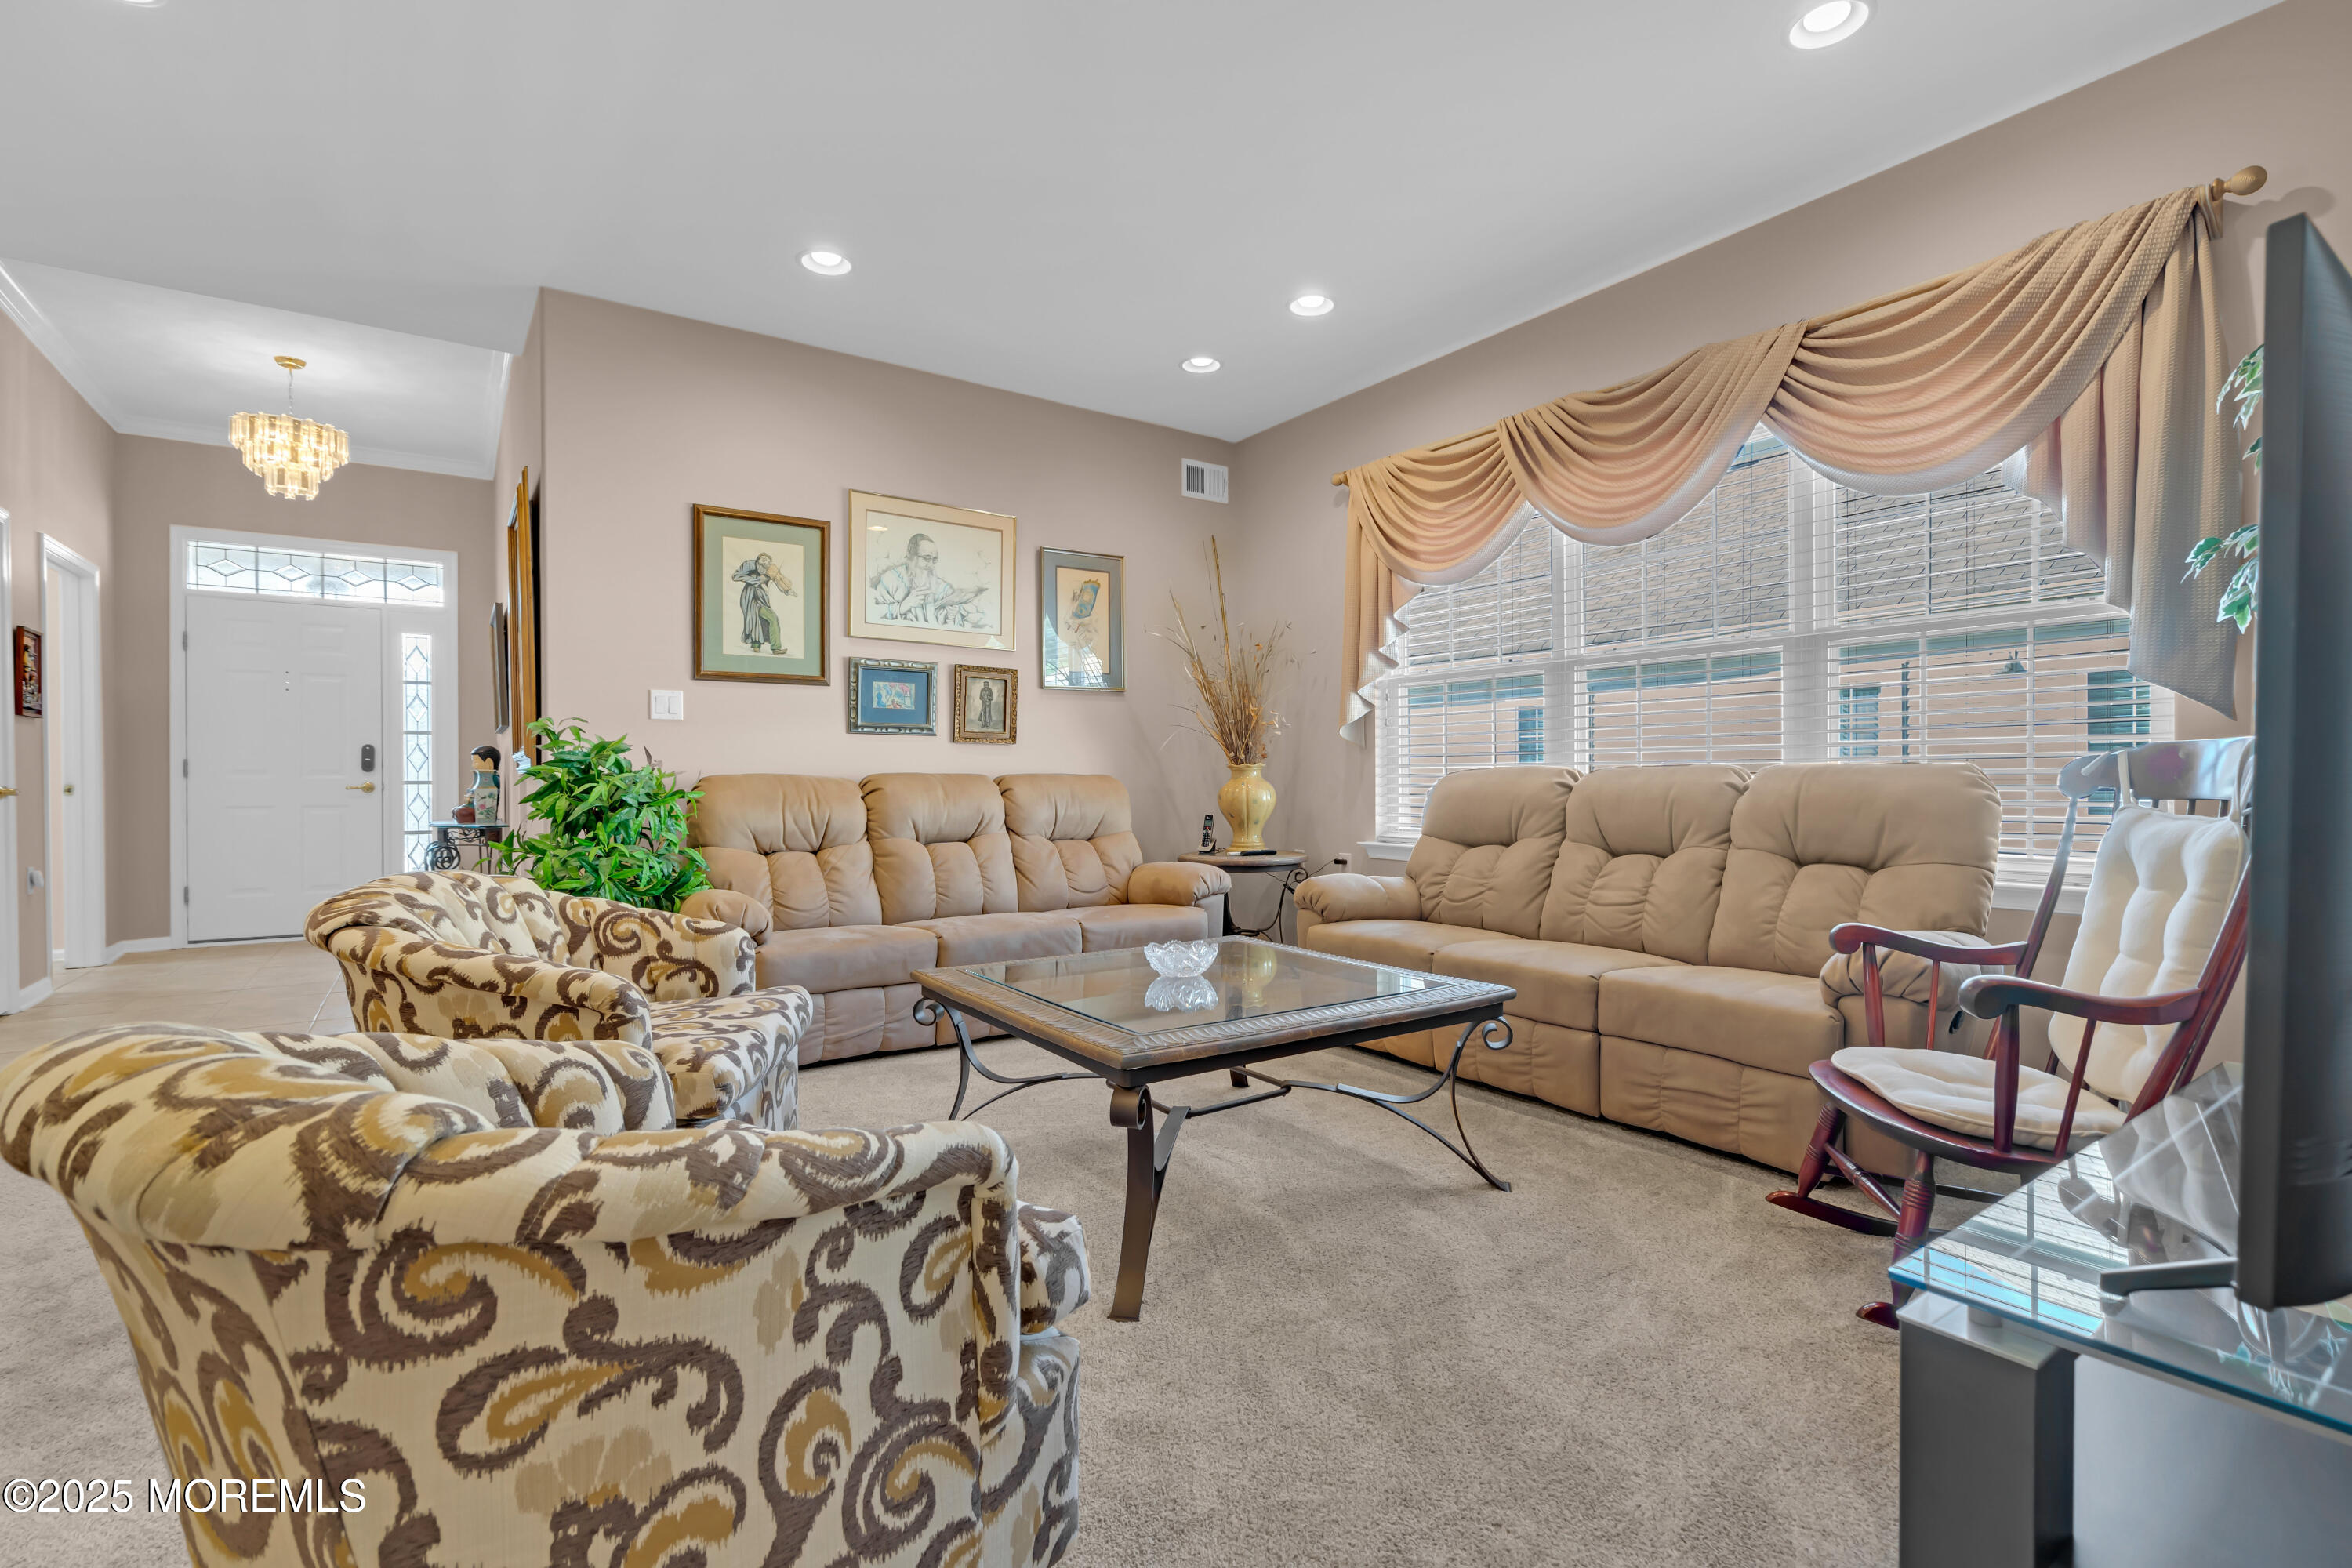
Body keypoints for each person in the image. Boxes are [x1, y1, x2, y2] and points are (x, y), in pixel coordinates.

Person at [870, 533, 989, 627]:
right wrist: (902, 607)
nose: (931, 564)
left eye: (934, 559)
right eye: (926, 558)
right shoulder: (890, 579)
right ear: (911, 555)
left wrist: (951, 617)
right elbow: (872, 615)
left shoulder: (942, 588)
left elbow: (950, 631)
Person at [732, 552, 795, 654]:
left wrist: (787, 591)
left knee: (770, 618)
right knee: (754, 618)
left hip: (762, 598)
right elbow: (735, 576)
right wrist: (754, 581)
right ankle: (759, 645)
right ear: (757, 561)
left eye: (768, 563)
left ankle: (773, 648)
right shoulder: (749, 564)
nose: (765, 565)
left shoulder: (770, 569)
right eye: (763, 560)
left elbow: (778, 582)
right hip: (749, 597)